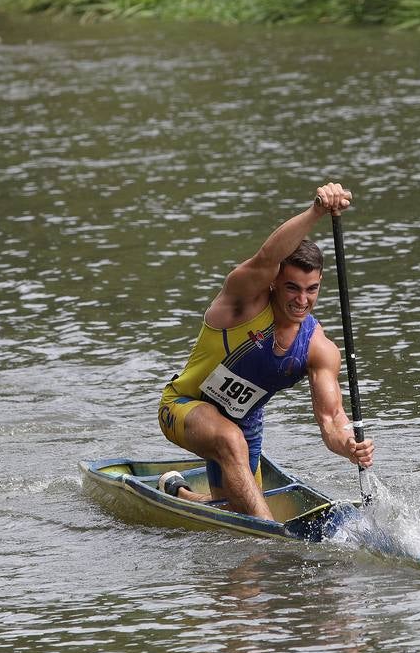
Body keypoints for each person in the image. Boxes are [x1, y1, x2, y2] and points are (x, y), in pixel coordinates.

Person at [156, 182, 374, 520]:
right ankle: (272, 538)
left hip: (246, 428)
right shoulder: (242, 302)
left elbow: (331, 419)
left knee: (233, 510)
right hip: (183, 407)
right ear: (274, 282)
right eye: (292, 288)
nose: (302, 301)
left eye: (312, 290)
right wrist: (317, 211)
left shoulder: (319, 348)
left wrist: (348, 444)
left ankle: (177, 490)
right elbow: (267, 256)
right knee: (231, 446)